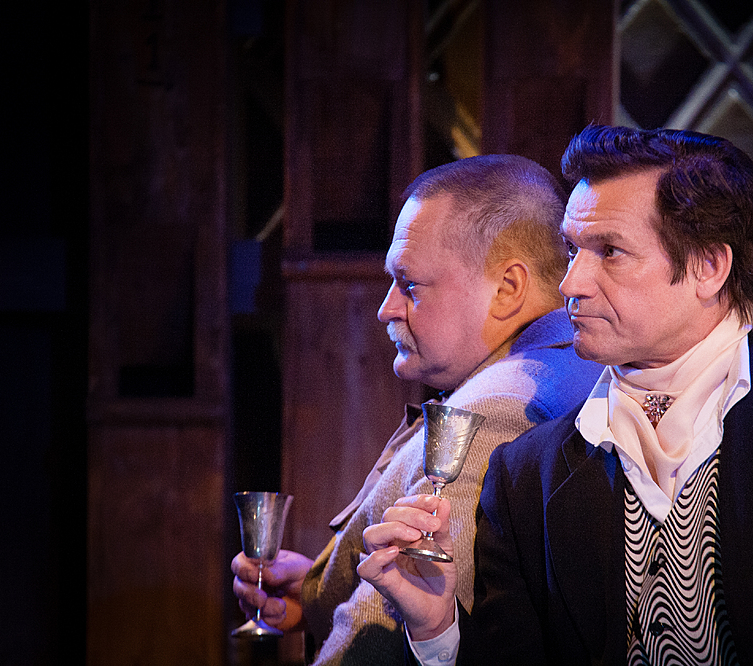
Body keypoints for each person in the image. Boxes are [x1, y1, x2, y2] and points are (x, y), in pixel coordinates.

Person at [359, 126, 753, 665]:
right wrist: (438, 629)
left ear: (709, 267)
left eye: (609, 251)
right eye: (573, 250)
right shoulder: (527, 472)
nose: (571, 281)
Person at [231, 154, 604, 664]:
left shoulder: (493, 412)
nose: (386, 308)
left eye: (409, 285)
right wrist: (319, 590)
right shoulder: (559, 366)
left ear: (507, 288)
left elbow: (389, 628)